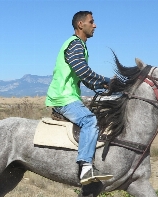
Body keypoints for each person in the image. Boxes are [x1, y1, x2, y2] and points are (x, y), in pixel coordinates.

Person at [45, 11, 113, 185]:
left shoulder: (80, 45)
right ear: (81, 25)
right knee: (90, 121)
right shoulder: (75, 44)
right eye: (92, 22)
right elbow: (82, 71)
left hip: (69, 96)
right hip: (63, 97)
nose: (95, 25)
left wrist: (103, 87)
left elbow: (84, 78)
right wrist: (106, 80)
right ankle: (85, 167)